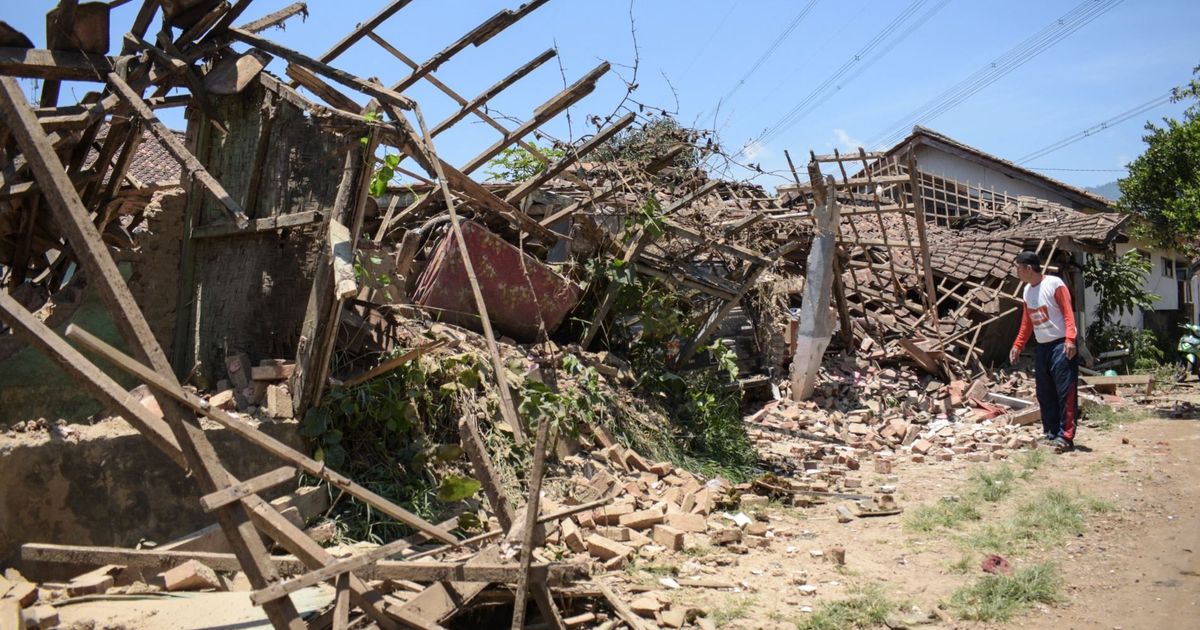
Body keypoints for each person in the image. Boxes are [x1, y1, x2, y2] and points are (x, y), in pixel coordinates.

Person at [1009, 251, 1079, 452]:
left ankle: (1065, 437)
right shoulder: (1026, 291)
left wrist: (1070, 339)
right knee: (1045, 392)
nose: (1017, 271)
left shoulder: (1054, 284)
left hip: (1061, 344)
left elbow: (1068, 313)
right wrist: (1018, 344)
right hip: (1043, 347)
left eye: (1018, 267)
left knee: (1065, 392)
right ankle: (1050, 432)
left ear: (1028, 268)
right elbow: (1027, 321)